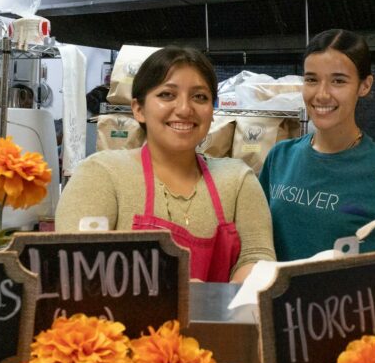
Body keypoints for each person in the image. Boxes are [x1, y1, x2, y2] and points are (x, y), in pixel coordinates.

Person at [55, 45, 275, 282]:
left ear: (213, 111)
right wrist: (174, 293)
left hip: (218, 318)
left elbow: (257, 257)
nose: (184, 109)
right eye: (167, 95)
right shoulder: (101, 174)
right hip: (119, 319)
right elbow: (76, 270)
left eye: (199, 97)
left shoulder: (238, 179)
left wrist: (225, 297)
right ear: (138, 109)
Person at [259, 28, 375, 260]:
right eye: (311, 79)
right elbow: (256, 241)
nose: (321, 94)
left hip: (353, 295)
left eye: (338, 81)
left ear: (364, 85)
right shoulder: (280, 157)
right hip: (281, 295)